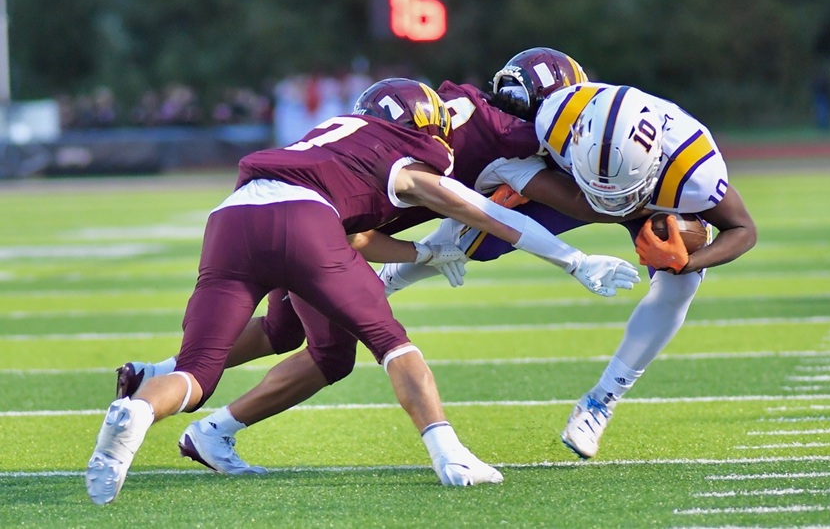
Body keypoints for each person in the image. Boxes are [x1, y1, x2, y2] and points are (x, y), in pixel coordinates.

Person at [87, 77, 640, 504]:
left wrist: (426, 253)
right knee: (387, 343)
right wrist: (573, 258)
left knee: (200, 371)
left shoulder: (331, 133)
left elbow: (359, 235)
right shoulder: (409, 155)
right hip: (306, 223)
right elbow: (487, 211)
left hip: (232, 216)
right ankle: (447, 451)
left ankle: (141, 407)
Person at [381, 81, 757, 460]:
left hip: (649, 202)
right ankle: (385, 280)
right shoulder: (555, 120)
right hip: (577, 187)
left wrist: (688, 260)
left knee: (680, 284)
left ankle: (601, 401)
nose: (611, 205)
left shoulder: (693, 170)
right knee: (478, 234)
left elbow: (744, 230)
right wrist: (518, 177)